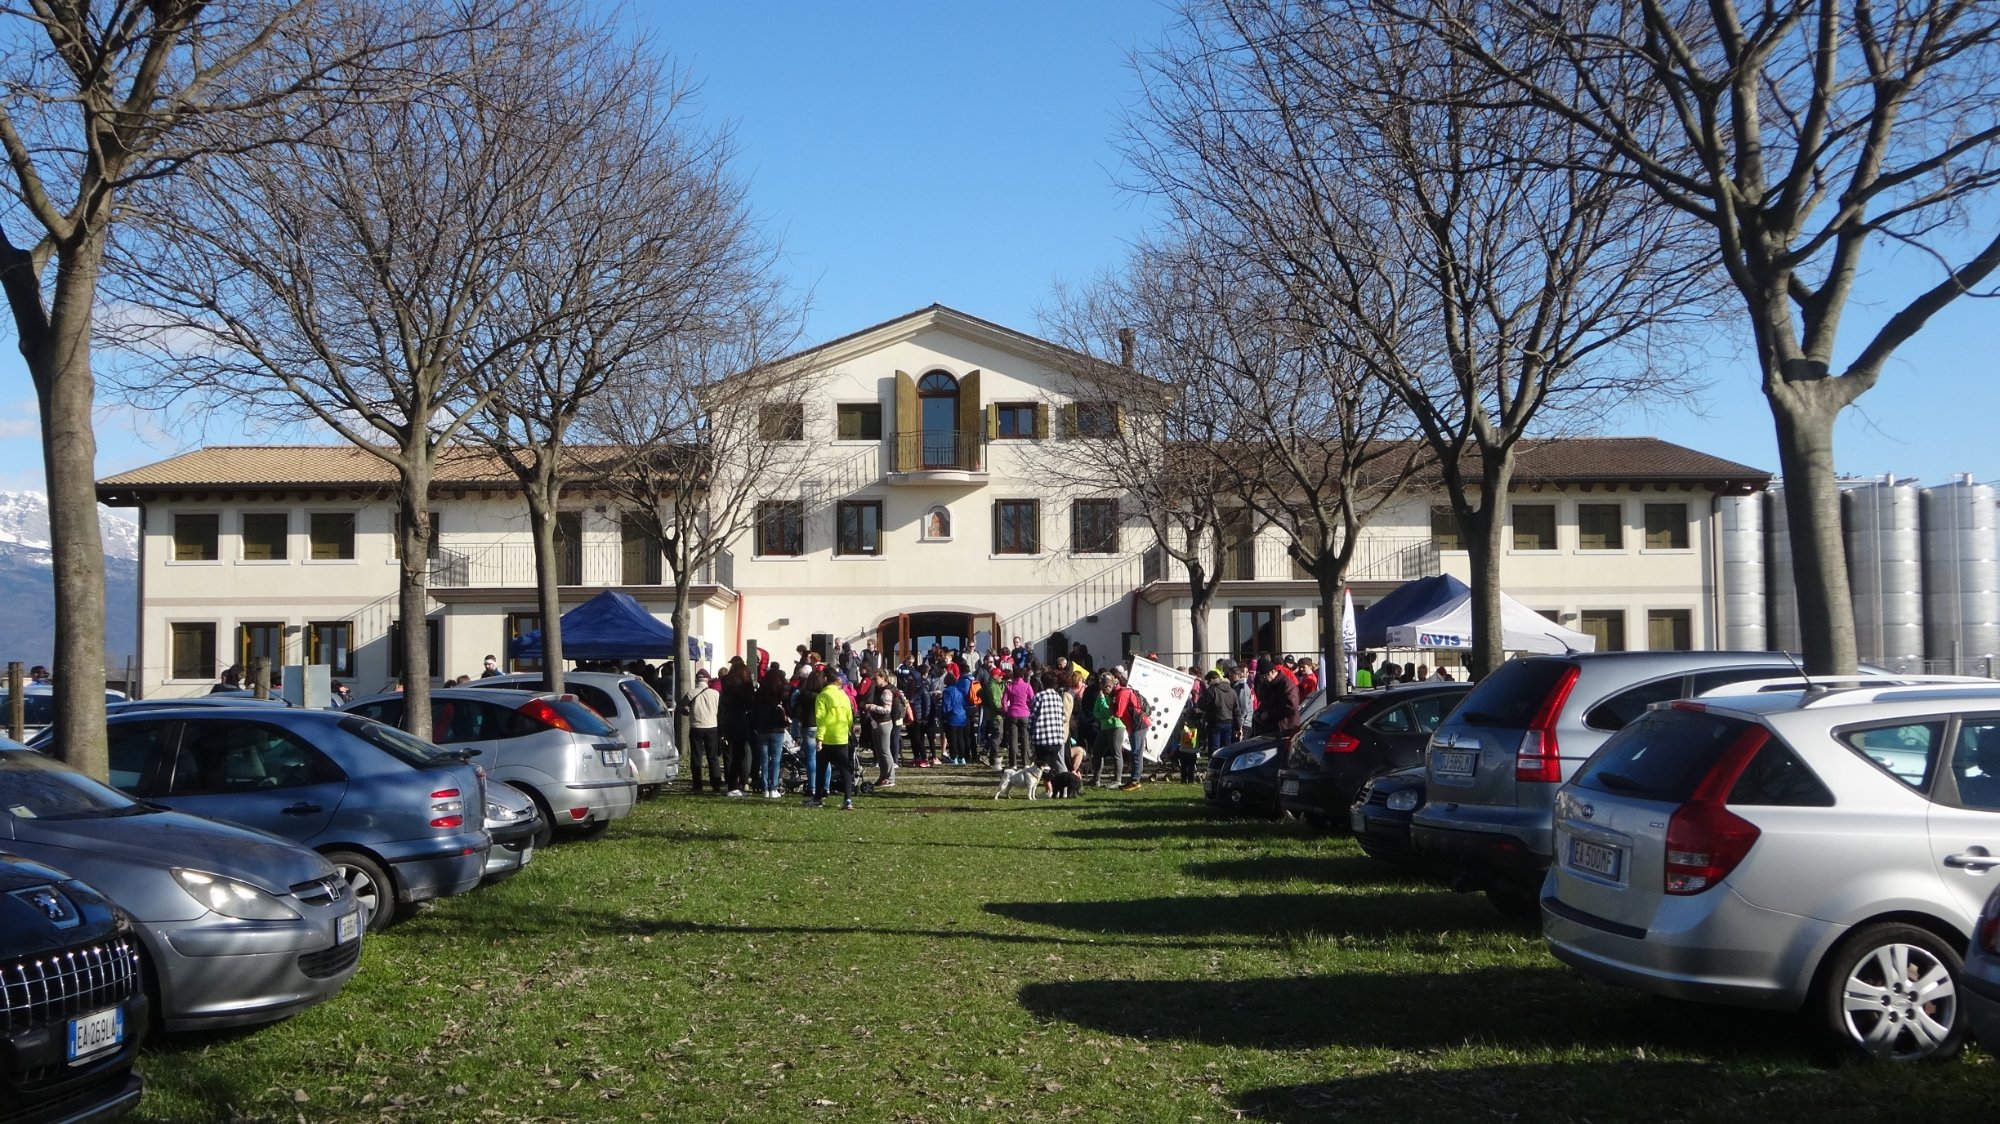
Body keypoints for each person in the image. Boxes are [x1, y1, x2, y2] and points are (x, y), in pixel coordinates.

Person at [816, 670, 857, 810]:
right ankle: (848, 799)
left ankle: (818, 798)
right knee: (845, 769)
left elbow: (821, 719)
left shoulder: (823, 696)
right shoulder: (843, 695)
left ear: (826, 679)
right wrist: (848, 729)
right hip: (842, 737)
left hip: (827, 738)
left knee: (821, 769)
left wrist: (819, 738)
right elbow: (849, 716)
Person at [751, 667, 791, 799]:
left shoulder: (760, 694)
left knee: (764, 759)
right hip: (777, 729)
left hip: (762, 729)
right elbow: (788, 709)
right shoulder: (781, 694)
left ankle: (765, 787)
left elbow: (754, 711)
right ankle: (773, 787)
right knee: (775, 759)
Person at [718, 659, 755, 797]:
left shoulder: (726, 683)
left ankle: (732, 784)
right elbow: (749, 702)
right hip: (740, 719)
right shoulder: (745, 685)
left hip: (728, 719)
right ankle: (735, 785)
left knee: (731, 754)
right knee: (740, 754)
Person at [1109, 672, 1151, 789]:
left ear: (1110, 686)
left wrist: (1112, 703)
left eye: (1105, 688)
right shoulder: (1118, 693)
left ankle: (1135, 781)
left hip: (1138, 724)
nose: (1104, 691)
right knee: (1136, 752)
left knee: (1136, 752)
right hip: (1135, 724)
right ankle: (1135, 779)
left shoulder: (1122, 693)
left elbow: (1118, 713)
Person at [863, 671, 903, 788]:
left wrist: (871, 707)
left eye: (876, 679)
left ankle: (890, 778)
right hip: (876, 722)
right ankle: (883, 776)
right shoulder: (877, 689)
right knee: (879, 752)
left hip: (884, 723)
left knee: (885, 751)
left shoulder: (886, 691)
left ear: (883, 678)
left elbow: (887, 710)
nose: (874, 681)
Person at [687, 669, 723, 793]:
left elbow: (681, 707)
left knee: (696, 756)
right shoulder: (715, 693)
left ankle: (697, 785)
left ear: (696, 680)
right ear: (707, 680)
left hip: (696, 727)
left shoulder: (690, 693)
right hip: (712, 726)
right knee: (712, 756)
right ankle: (716, 784)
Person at [1030, 670, 1069, 773]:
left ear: (1042, 682)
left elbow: (1033, 717)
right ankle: (1053, 787)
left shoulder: (1039, 696)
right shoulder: (1058, 697)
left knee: (1044, 768)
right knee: (1053, 766)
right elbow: (1061, 716)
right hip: (1056, 738)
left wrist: (1030, 730)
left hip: (1042, 738)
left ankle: (1049, 789)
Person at [1000, 668, 1033, 769]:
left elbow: (1004, 701)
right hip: (1025, 714)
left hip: (1012, 714)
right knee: (1025, 739)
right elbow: (1032, 699)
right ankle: (1026, 762)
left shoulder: (1009, 686)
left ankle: (1013, 763)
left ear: (1013, 676)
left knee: (1013, 740)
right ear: (1023, 676)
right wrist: (1029, 707)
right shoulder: (1027, 686)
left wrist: (1005, 711)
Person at [1200, 668, 1239, 753]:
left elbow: (1202, 705)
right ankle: (1226, 766)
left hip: (1215, 722)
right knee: (1226, 749)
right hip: (1228, 722)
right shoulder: (1232, 690)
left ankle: (1214, 766)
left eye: (1207, 682)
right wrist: (1238, 726)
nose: (1207, 684)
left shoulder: (1212, 690)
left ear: (1211, 680)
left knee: (1214, 750)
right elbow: (1236, 710)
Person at [941, 670, 972, 766]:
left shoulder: (947, 691)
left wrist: (944, 716)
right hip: (962, 716)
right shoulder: (959, 690)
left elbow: (946, 705)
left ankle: (954, 757)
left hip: (952, 717)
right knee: (960, 738)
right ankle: (962, 757)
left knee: (952, 739)